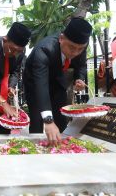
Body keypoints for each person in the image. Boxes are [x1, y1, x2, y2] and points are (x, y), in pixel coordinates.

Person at [24, 17, 92, 145]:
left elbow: (81, 65)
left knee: (60, 116)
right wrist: (48, 121)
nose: (75, 53)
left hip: (57, 81)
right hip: (35, 83)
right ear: (61, 39)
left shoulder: (79, 48)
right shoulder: (44, 49)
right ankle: (34, 147)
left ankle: (60, 147)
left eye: (80, 49)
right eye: (72, 47)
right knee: (38, 118)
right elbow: (41, 86)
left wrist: (79, 78)